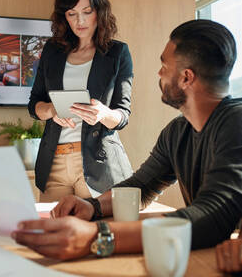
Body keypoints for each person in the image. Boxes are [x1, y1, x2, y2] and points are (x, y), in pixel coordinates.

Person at [13, 19, 242, 260]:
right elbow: (140, 187)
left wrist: (96, 235)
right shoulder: (177, 132)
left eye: (164, 66)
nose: (159, 73)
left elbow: (211, 217)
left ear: (186, 78)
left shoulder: (236, 123)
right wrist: (93, 206)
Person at [28, 0, 133, 202]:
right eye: (71, 14)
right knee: (55, 234)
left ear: (100, 10)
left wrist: (104, 114)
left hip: (99, 163)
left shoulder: (117, 53)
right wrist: (52, 111)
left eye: (87, 12)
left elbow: (123, 115)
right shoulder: (52, 51)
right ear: (63, 17)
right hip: (54, 163)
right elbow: (34, 103)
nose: (80, 21)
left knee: (100, 234)